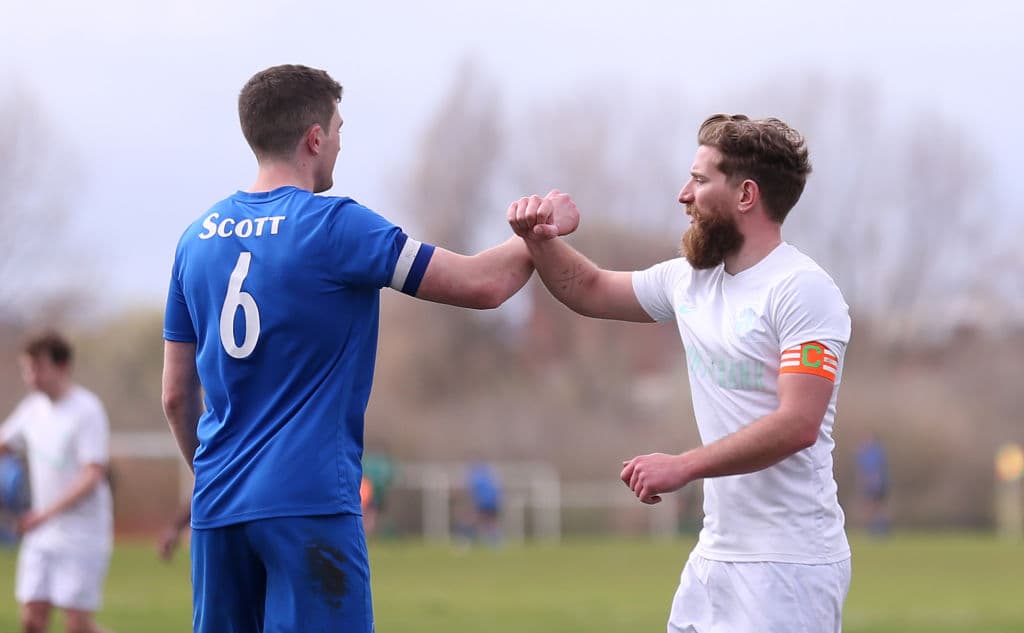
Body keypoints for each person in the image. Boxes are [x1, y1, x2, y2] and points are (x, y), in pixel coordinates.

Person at [161, 64, 578, 633]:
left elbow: (175, 395)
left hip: (218, 508)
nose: (338, 143)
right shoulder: (335, 226)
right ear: (314, 138)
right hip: (309, 502)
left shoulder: (193, 240)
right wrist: (538, 230)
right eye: (337, 129)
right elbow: (484, 284)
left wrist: (218, 475)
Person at [509, 114, 852, 632]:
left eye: (699, 179)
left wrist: (684, 466)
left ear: (746, 195)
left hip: (789, 567)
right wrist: (539, 236)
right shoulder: (689, 280)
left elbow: (798, 424)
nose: (682, 195)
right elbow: (588, 288)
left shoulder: (802, 290)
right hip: (714, 558)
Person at [0, 331, 114, 633]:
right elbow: (4, 444)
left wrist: (45, 513)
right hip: (42, 532)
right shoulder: (32, 410)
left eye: (38, 367)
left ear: (62, 367)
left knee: (77, 626)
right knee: (31, 619)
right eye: (27, 368)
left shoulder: (86, 410)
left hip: (82, 532)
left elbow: (93, 473)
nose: (31, 377)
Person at [854, 431, 889, 535]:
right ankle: (875, 529)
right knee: (871, 507)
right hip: (869, 484)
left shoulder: (876, 452)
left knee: (877, 507)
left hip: (877, 484)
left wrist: (875, 482)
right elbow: (861, 471)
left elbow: (878, 469)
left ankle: (880, 529)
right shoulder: (864, 453)